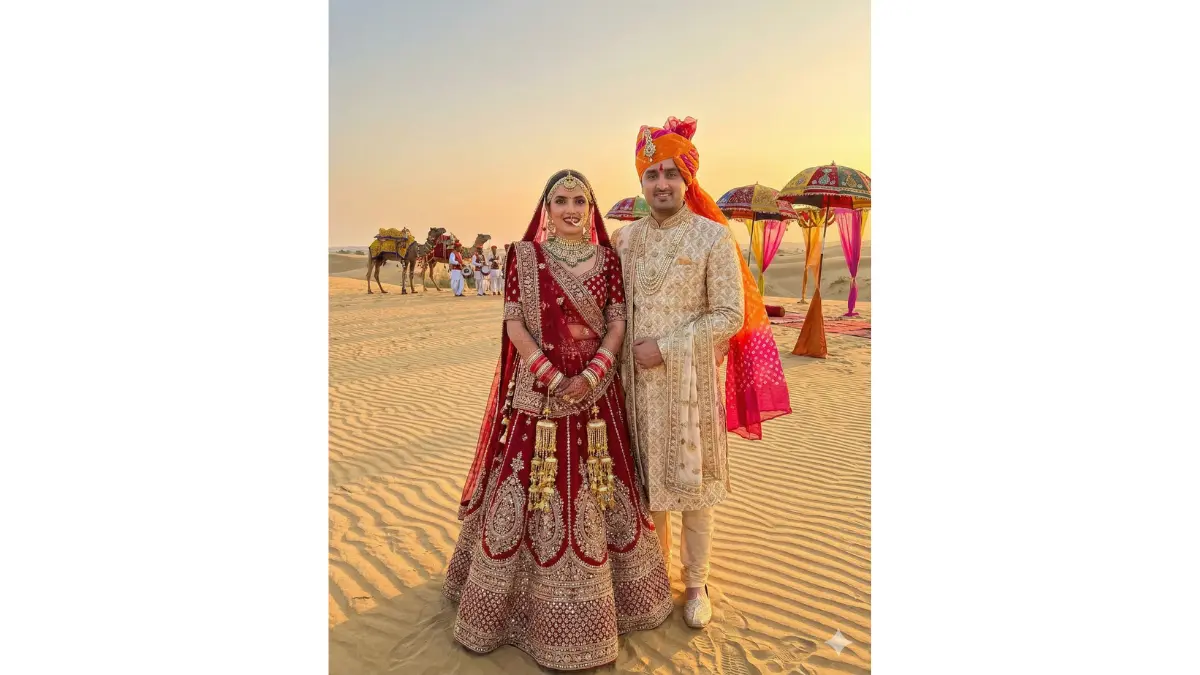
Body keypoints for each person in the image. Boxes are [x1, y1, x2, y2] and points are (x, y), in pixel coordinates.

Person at [444, 169, 672, 670]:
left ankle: (612, 602)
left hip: (596, 398)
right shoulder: (523, 258)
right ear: (545, 209)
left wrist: (594, 373)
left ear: (590, 209)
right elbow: (513, 321)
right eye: (561, 201)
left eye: (580, 201)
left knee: (600, 489)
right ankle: (513, 609)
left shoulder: (609, 259)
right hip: (537, 398)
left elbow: (617, 320)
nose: (571, 209)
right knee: (528, 491)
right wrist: (548, 374)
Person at [611, 116, 792, 628]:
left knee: (693, 489)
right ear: (641, 182)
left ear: (688, 179)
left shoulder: (713, 238)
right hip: (634, 389)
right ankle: (650, 580)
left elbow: (729, 315)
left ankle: (696, 584)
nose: (661, 183)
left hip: (689, 387)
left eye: (671, 173)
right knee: (647, 488)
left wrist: (666, 349)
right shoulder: (624, 241)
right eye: (651, 174)